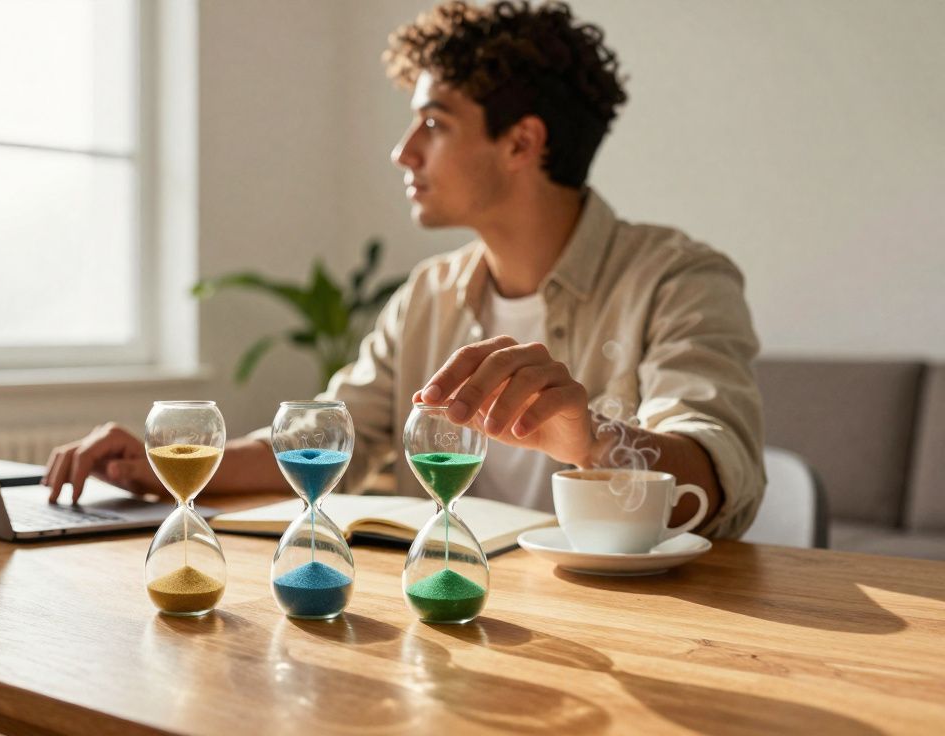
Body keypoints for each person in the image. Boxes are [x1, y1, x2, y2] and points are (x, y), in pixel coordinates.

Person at [45, 0, 764, 538]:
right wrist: (172, 460)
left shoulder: (680, 280)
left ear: (521, 143)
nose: (404, 152)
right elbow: (328, 436)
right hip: (456, 610)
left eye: (434, 124)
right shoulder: (428, 294)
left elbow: (716, 477)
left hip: (629, 630)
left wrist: (588, 437)